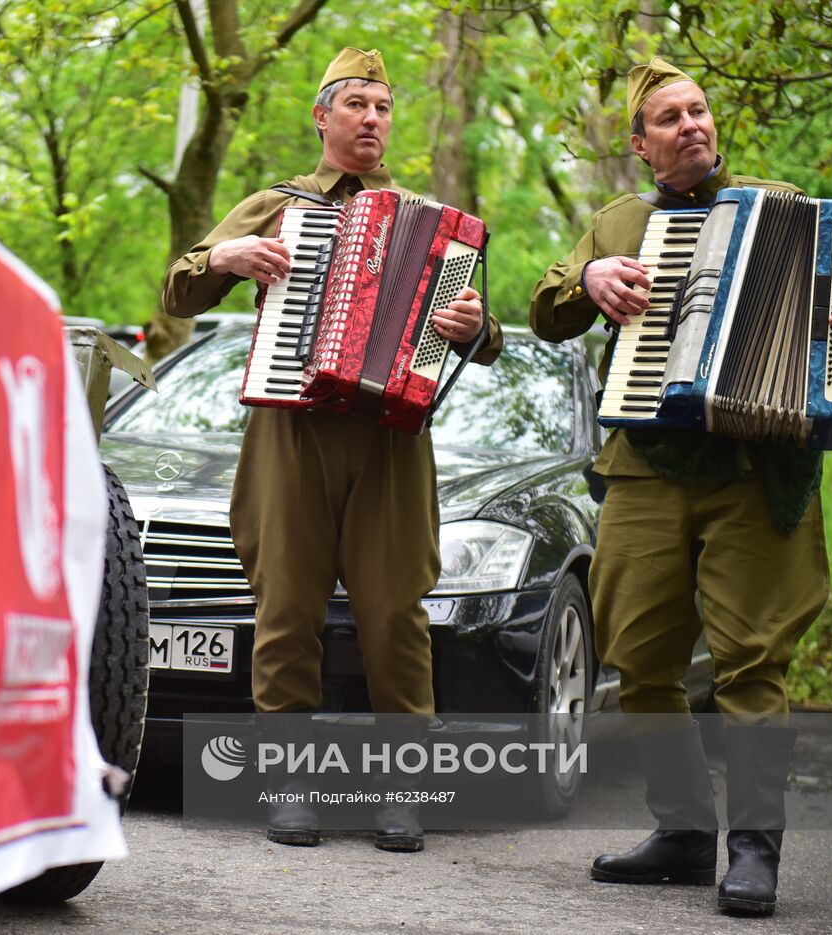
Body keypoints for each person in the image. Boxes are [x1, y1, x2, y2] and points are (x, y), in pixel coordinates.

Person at [529, 58, 832, 917]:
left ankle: (755, 849)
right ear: (640, 144)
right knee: (637, 652)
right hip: (646, 465)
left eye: (698, 110)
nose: (691, 124)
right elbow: (546, 310)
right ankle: (684, 831)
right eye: (669, 117)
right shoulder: (618, 222)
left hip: (756, 467)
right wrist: (587, 281)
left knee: (752, 659)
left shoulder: (789, 207)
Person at [162, 47, 502, 852]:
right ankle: (290, 785)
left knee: (395, 617)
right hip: (291, 432)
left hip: (391, 440)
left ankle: (402, 789)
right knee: (286, 610)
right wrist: (224, 257)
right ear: (322, 117)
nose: (372, 119)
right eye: (356, 104)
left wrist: (472, 326)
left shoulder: (430, 221)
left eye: (382, 107)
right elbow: (177, 289)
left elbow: (483, 339)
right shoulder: (273, 205)